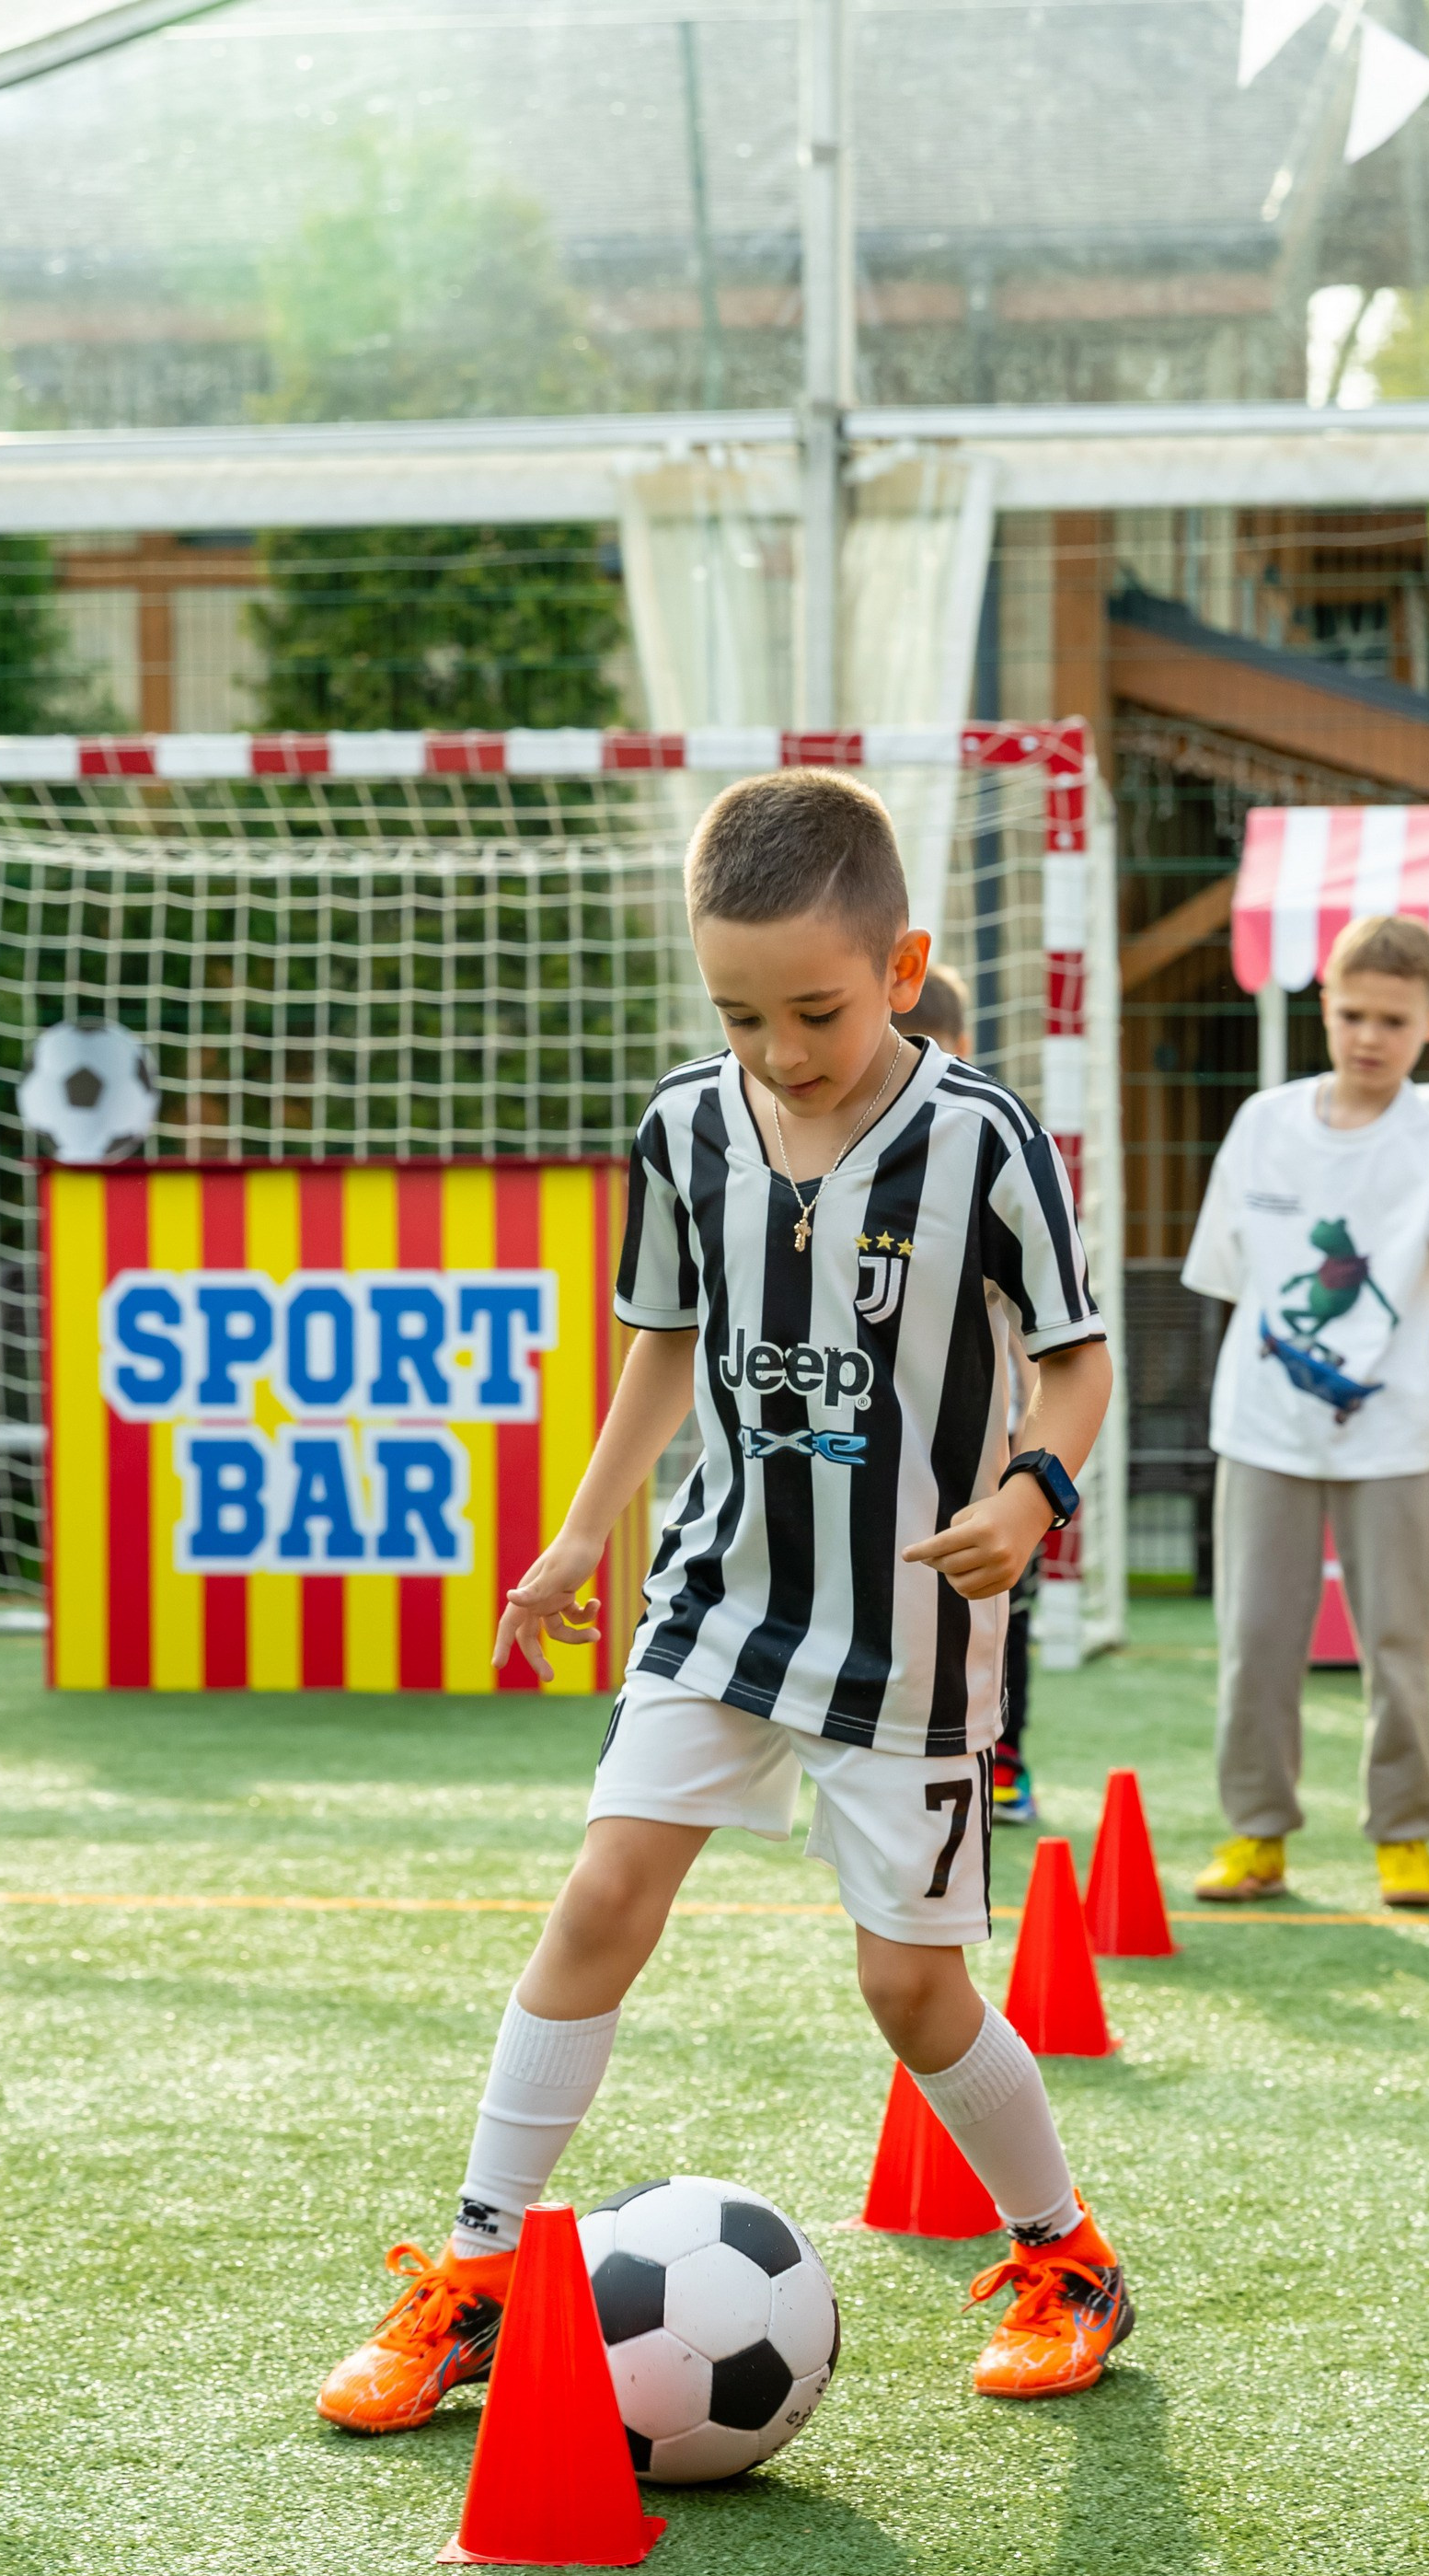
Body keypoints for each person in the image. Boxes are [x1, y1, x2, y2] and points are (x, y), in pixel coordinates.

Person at [316, 769, 1132, 2432]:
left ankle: (1067, 2260)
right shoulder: (685, 1128)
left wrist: (1028, 1494)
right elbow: (662, 1351)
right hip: (717, 1600)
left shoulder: (981, 1140)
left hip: (905, 1636)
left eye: (815, 1011)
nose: (779, 1050)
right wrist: (576, 1540)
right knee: (602, 1897)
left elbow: (1077, 1362)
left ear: (903, 969)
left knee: (909, 1991)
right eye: (740, 1013)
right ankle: (476, 2273)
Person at [1181, 915, 1429, 1911]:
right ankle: (1254, 1834)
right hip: (1261, 1429)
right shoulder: (1262, 1127)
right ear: (1323, 1004)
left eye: (1391, 1021)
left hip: (1393, 1438)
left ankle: (1401, 1835)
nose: (1368, 1036)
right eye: (1352, 1013)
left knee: (1396, 1646)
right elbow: (1227, 1277)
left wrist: (1379, 1370)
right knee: (1254, 1639)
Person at [900, 961, 1040, 1826]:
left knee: (997, 1606)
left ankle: (1002, 1756)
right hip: (895, 1444)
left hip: (990, 1452)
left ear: (960, 1050)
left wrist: (1038, 1447)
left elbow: (1044, 1327)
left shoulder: (988, 1150)